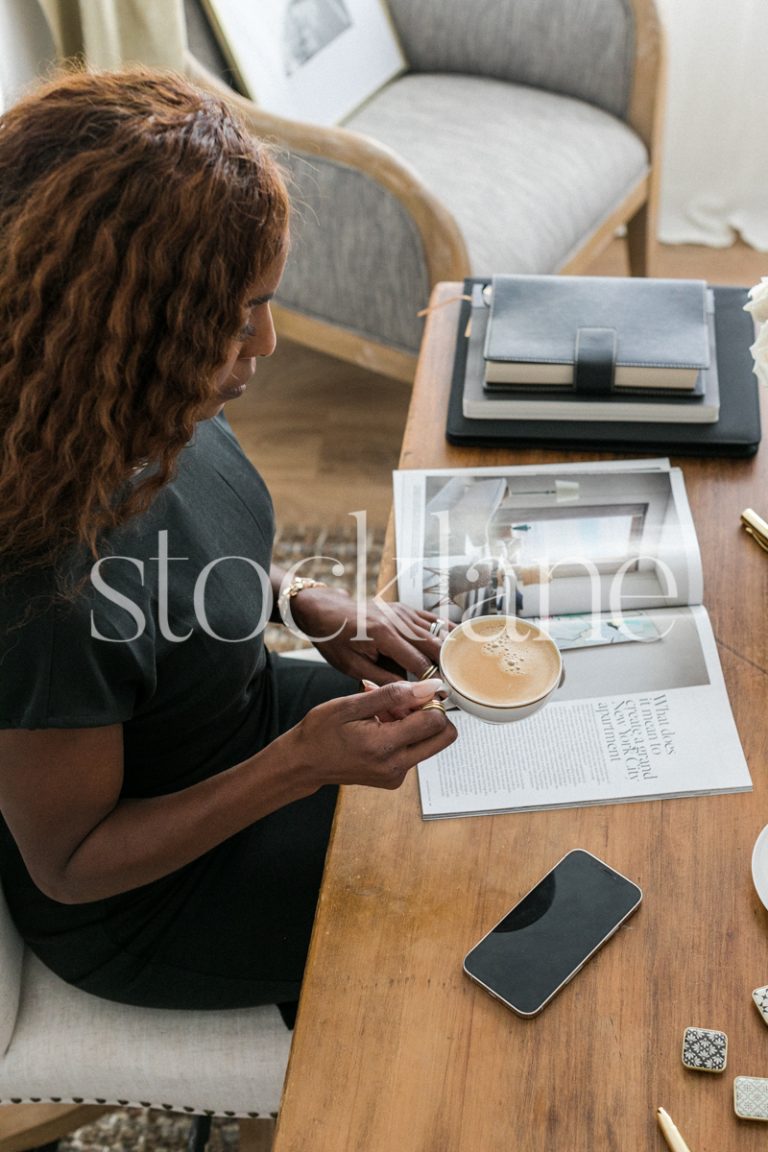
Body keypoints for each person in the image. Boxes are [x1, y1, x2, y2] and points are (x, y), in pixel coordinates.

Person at [0, 68, 456, 1027]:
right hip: (151, 895)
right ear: (127, 328)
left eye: (266, 300)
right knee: (462, 900)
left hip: (231, 723)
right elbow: (72, 865)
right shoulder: (41, 594)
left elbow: (173, 561)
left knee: (491, 770)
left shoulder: (132, 407)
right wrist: (298, 761)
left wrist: (300, 601)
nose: (269, 342)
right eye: (237, 313)